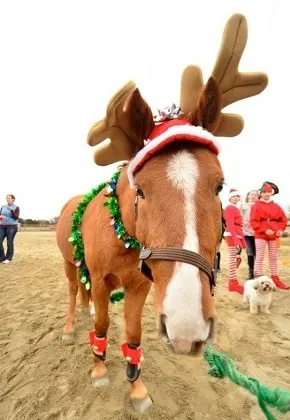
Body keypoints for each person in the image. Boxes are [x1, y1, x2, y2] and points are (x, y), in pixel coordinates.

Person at [250, 181, 289, 289]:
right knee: (260, 256)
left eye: (269, 192)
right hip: (260, 235)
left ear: (271, 193)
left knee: (273, 257)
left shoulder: (276, 206)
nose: (267, 194)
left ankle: (275, 278)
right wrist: (264, 230)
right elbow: (253, 221)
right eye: (265, 192)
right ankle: (257, 278)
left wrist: (280, 229)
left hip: (274, 235)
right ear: (261, 193)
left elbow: (283, 220)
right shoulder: (256, 205)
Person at [223, 189, 247, 294]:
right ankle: (232, 283)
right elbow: (231, 225)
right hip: (232, 235)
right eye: (234, 196)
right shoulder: (229, 208)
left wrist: (243, 241)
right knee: (233, 259)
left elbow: (239, 226)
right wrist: (236, 239)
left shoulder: (236, 208)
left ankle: (233, 281)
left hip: (237, 234)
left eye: (238, 196)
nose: (236, 198)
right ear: (230, 198)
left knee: (235, 259)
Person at [241, 190, 259, 279]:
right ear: (248, 196)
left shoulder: (260, 206)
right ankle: (251, 273)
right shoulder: (243, 206)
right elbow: (239, 218)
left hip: (258, 234)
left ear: (258, 197)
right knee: (250, 252)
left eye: (256, 195)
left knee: (257, 253)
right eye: (251, 194)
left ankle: (257, 272)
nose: (253, 196)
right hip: (246, 233)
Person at [0, 194, 20, 264]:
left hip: (12, 226)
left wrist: (11, 211)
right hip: (2, 226)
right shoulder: (3, 207)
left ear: (13, 199)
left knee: (9, 243)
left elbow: (16, 217)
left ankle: (8, 258)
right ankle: (1, 257)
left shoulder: (16, 207)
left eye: (9, 198)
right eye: (7, 198)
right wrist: (1, 216)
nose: (7, 199)